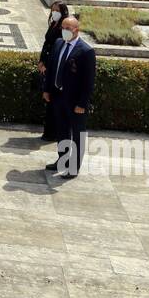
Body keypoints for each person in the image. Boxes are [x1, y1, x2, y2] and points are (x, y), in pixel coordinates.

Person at [42, 16, 96, 179]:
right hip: (58, 97)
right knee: (62, 131)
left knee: (77, 136)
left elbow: (89, 81)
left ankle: (73, 168)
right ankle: (62, 161)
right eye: (63, 27)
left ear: (76, 30)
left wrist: (82, 103)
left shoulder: (86, 51)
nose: (64, 31)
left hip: (75, 102)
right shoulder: (59, 43)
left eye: (68, 28)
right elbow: (51, 68)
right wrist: (46, 89)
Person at [37, 2, 72, 142]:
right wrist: (41, 61)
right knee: (48, 100)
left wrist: (48, 65)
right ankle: (49, 131)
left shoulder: (63, 28)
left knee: (53, 101)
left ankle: (53, 132)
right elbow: (47, 44)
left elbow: (59, 50)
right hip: (46, 64)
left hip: (54, 67)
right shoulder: (53, 23)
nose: (54, 12)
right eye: (53, 10)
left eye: (57, 10)